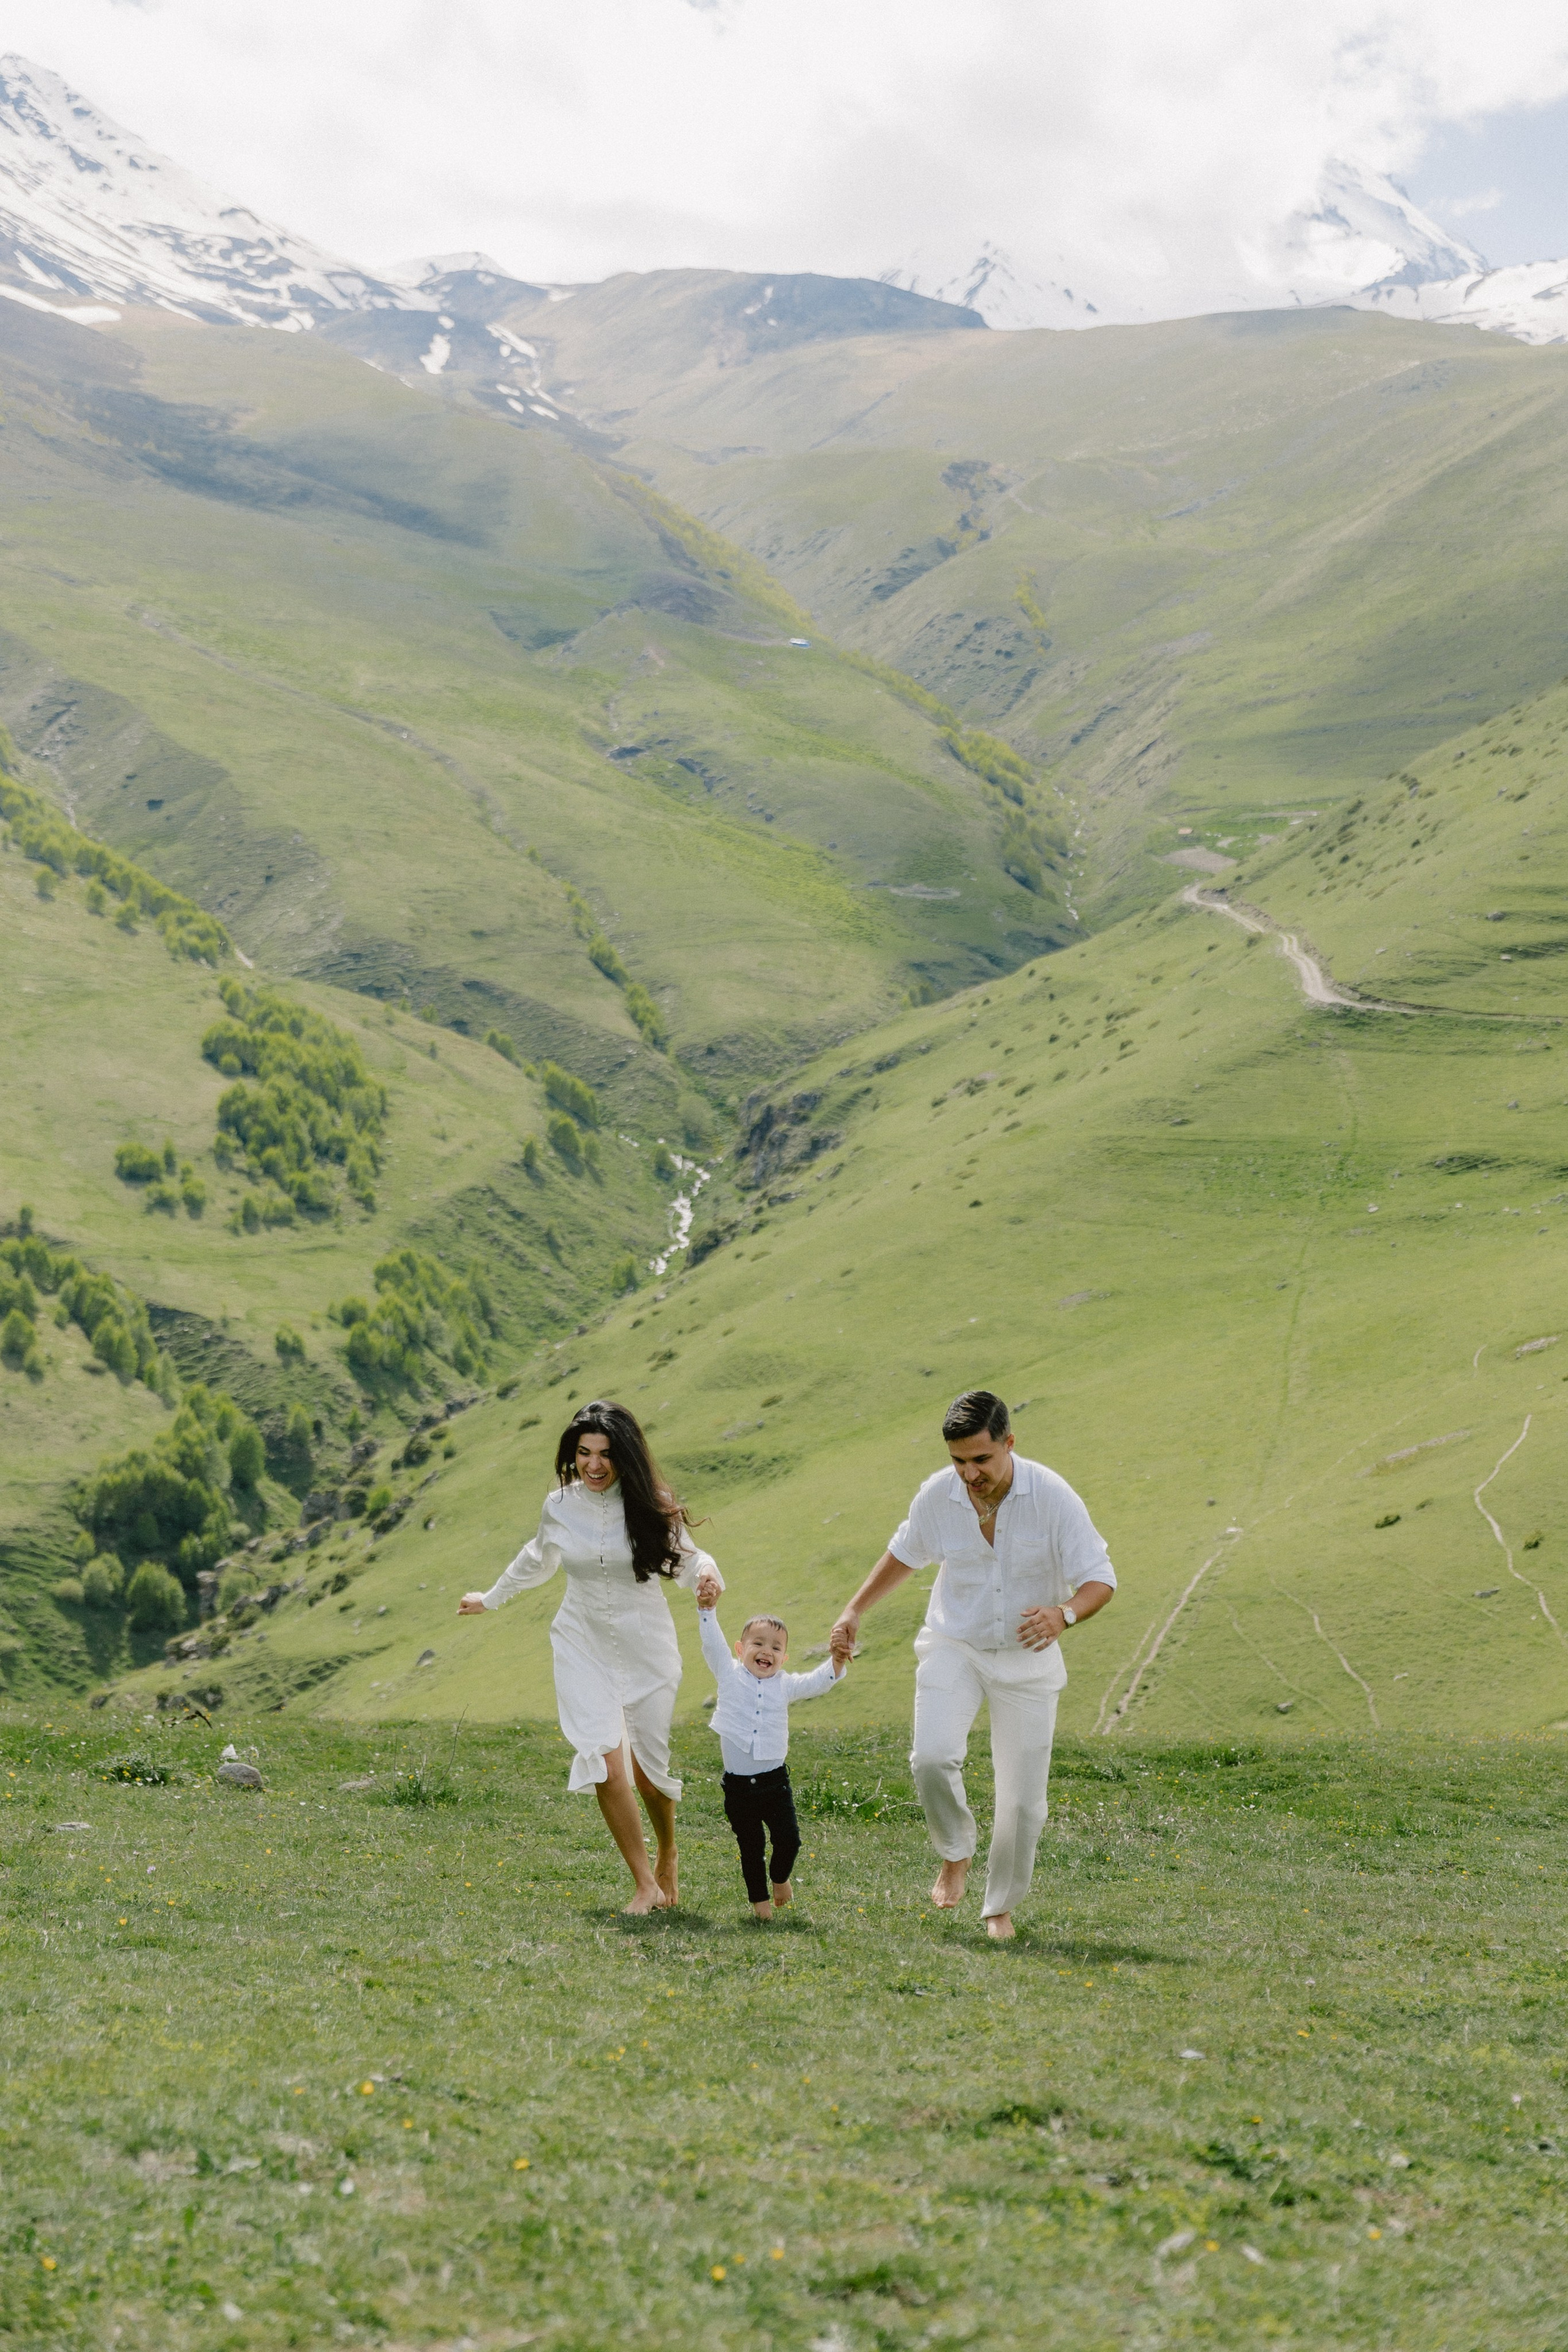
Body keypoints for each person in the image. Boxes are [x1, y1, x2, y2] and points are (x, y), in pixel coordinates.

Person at [829, 1390, 1114, 1942]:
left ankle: (999, 1909)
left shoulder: (1053, 1497)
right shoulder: (940, 1495)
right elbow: (904, 1553)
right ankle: (955, 1851)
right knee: (931, 1758)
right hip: (953, 1643)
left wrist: (1065, 1614)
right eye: (958, 1461)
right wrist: (853, 1610)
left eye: (981, 1460)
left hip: (1027, 1660)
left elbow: (1101, 1578)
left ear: (1009, 1443)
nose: (969, 1473)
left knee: (1023, 1803)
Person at [458, 1399, 719, 1915]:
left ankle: (668, 1851)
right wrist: (489, 1599)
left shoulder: (650, 1502)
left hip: (646, 1644)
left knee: (648, 1771)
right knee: (604, 1760)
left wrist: (708, 1580)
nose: (594, 1465)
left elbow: (689, 1560)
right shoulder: (560, 1505)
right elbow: (537, 1558)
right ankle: (644, 1884)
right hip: (582, 1640)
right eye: (584, 1453)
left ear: (625, 1456)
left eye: (604, 1454)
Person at [693, 1572, 846, 1920]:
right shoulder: (729, 1675)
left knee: (789, 1839)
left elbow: (817, 1683)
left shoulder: (785, 1685)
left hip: (775, 1783)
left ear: (784, 1658)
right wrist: (707, 1611)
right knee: (751, 1848)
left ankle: (780, 1878)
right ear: (740, 1649)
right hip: (738, 1788)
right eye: (758, 1644)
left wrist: (835, 1660)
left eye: (776, 1648)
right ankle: (761, 1908)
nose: (767, 1652)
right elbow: (711, 1645)